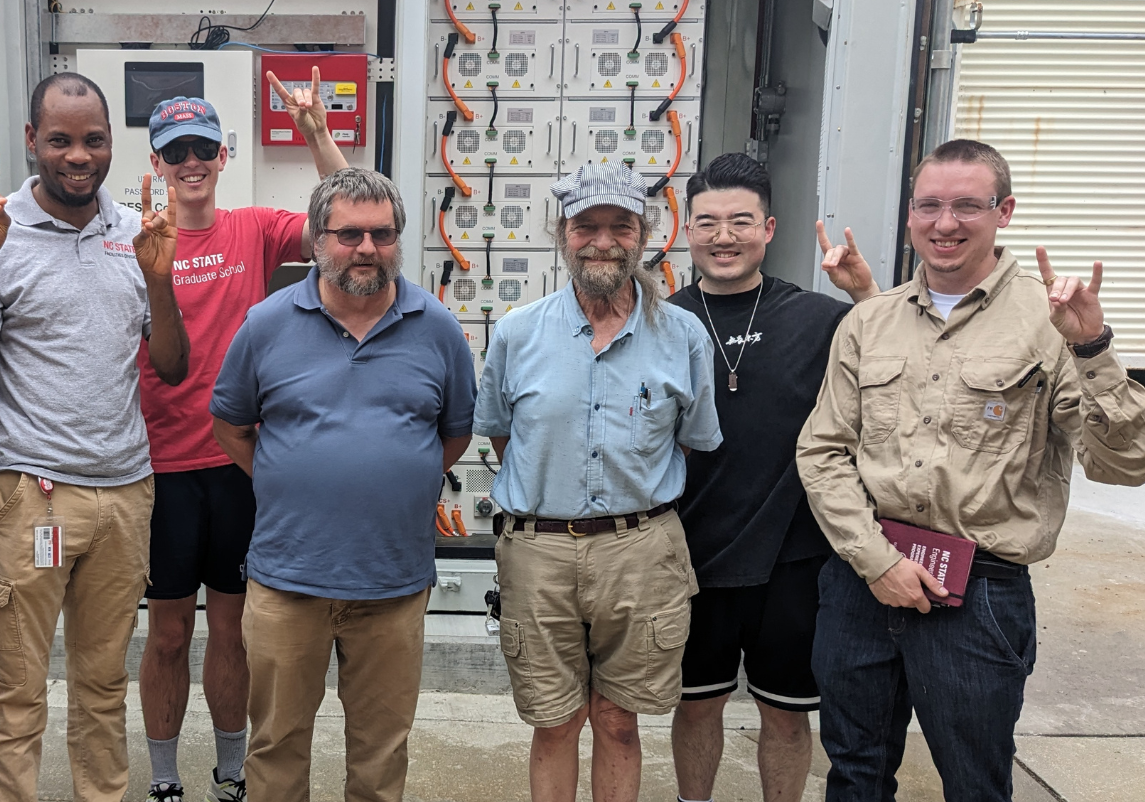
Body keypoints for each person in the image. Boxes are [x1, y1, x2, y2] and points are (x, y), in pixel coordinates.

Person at [797, 138, 1145, 801]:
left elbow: (1123, 463)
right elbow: (823, 450)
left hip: (977, 596)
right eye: (930, 205)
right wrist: (876, 562)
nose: (945, 222)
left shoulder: (1050, 322)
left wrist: (1094, 348)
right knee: (854, 773)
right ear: (910, 215)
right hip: (860, 584)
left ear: (1003, 210)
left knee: (975, 784)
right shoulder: (870, 321)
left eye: (967, 205)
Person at [0, 72, 189, 802]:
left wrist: (160, 280)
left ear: (112, 143)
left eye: (93, 140)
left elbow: (172, 367)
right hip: (29, 495)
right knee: (18, 689)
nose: (78, 155)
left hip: (124, 493)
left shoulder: (134, 230)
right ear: (31, 141)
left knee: (102, 683)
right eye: (60, 140)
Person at [209, 167, 475, 802]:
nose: (366, 249)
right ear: (316, 238)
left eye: (382, 235)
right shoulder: (267, 325)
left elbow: (454, 434)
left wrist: (395, 476)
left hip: (392, 584)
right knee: (275, 747)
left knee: (381, 754)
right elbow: (231, 426)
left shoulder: (436, 327)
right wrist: (286, 475)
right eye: (349, 234)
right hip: (286, 584)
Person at [472, 163, 721, 802]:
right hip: (538, 552)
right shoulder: (518, 332)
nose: (603, 241)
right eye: (588, 226)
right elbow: (504, 437)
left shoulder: (683, 335)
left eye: (620, 226)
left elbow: (694, 440)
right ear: (564, 232)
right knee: (554, 724)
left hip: (641, 550)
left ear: (644, 234)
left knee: (618, 721)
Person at [135, 71, 348, 802]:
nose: (191, 162)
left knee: (232, 630)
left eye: (202, 148)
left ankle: (231, 774)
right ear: (157, 162)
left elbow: (345, 218)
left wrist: (317, 132)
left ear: (223, 155)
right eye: (176, 151)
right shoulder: (132, 238)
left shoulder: (253, 228)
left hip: (236, 464)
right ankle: (165, 779)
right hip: (157, 468)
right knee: (167, 635)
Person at [665, 153, 876, 802]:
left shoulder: (818, 318)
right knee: (696, 707)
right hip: (689, 556)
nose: (723, 235)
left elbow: (897, 370)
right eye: (707, 221)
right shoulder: (659, 322)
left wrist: (864, 296)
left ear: (769, 228)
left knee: (786, 714)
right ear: (686, 228)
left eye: (740, 221)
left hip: (793, 559)